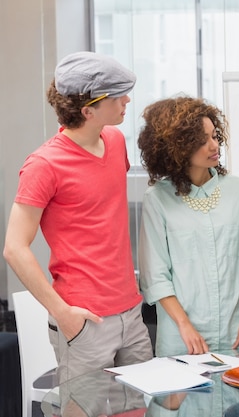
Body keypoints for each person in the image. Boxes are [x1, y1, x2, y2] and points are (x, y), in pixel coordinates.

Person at [3, 51, 153, 384]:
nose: (127, 99)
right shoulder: (43, 165)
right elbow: (14, 248)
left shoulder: (114, 141)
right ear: (88, 110)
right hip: (84, 320)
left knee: (140, 409)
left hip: (131, 311)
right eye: (118, 95)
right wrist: (63, 314)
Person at [137, 96, 239, 357]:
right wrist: (184, 326)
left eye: (214, 136)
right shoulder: (157, 199)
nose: (214, 145)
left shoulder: (238, 190)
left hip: (237, 334)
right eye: (202, 141)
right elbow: (156, 276)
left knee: (238, 398)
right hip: (182, 339)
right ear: (176, 148)